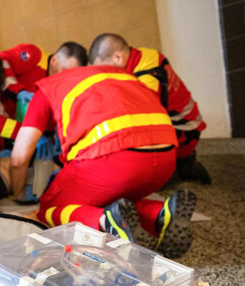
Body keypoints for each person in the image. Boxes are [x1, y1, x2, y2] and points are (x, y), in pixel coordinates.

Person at [9, 64, 196, 258]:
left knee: (50, 208)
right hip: (166, 158)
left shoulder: (50, 86)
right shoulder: (121, 76)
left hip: (115, 161)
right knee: (119, 202)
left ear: (56, 63)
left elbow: (19, 158)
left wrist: (17, 194)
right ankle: (161, 214)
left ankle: (106, 221)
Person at [89, 33, 210, 184]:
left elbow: (140, 122)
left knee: (138, 176)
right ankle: (180, 165)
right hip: (183, 124)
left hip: (184, 132)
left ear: (118, 57)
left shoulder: (147, 77)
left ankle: (182, 165)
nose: (104, 75)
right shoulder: (143, 56)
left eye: (105, 69)